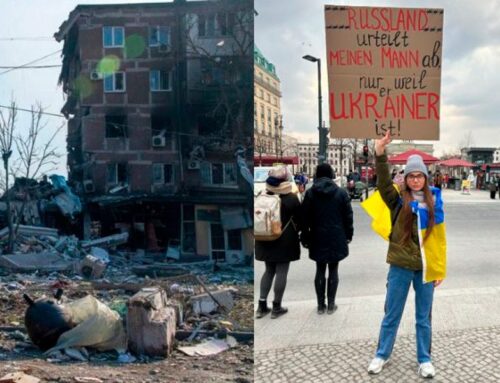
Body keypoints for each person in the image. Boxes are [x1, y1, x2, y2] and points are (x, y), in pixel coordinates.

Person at [366, 131, 446, 379]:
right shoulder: (398, 199)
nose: (414, 180)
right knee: (392, 313)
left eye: (418, 175)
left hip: (424, 268)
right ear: (406, 177)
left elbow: (439, 239)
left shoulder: (435, 202)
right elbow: (381, 183)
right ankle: (382, 354)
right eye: (410, 176)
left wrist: (439, 269)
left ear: (424, 177)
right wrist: (380, 153)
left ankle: (424, 359)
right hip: (400, 265)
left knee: (424, 318)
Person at [301, 163, 353, 315]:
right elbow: (348, 217)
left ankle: (320, 305)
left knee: (320, 268)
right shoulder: (341, 193)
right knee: (334, 268)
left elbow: (304, 217)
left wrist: (305, 236)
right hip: (337, 235)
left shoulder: (310, 193)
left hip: (317, 235)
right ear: (332, 174)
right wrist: (348, 235)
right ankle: (331, 304)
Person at [255, 165, 302, 319]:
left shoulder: (262, 194)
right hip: (284, 239)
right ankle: (276, 307)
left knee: (269, 271)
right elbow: (300, 219)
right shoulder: (290, 198)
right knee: (282, 271)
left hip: (264, 237)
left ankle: (261, 306)